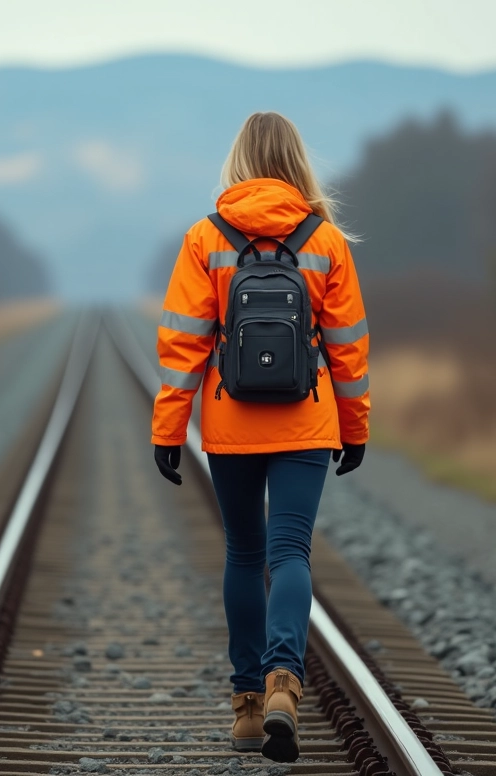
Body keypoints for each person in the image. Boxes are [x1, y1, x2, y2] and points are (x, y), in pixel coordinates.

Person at [149, 111, 370, 763]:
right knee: (290, 552)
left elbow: (182, 345)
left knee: (244, 554)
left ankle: (247, 708)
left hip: (231, 422)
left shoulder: (204, 238)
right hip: (306, 419)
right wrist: (354, 430)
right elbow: (348, 351)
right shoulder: (325, 240)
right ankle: (284, 682)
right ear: (298, 161)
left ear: (238, 161)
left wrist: (168, 428)